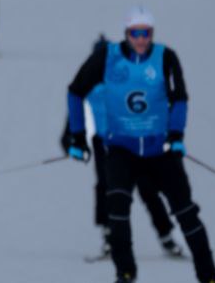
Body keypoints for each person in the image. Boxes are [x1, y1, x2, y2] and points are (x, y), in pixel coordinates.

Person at [63, 7, 215, 283]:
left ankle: (209, 276)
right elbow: (75, 90)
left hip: (158, 149)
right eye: (135, 33)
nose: (141, 39)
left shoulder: (165, 57)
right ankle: (125, 272)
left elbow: (179, 98)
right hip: (120, 149)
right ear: (126, 33)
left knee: (186, 211)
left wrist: (176, 135)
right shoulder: (107, 57)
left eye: (146, 33)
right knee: (117, 208)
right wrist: (77, 137)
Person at [63, 35, 184, 261]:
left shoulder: (123, 79)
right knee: (106, 188)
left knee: (147, 188)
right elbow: (75, 116)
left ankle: (166, 235)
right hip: (103, 144)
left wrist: (167, 135)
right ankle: (109, 236)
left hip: (133, 141)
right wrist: (72, 141)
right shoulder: (88, 84)